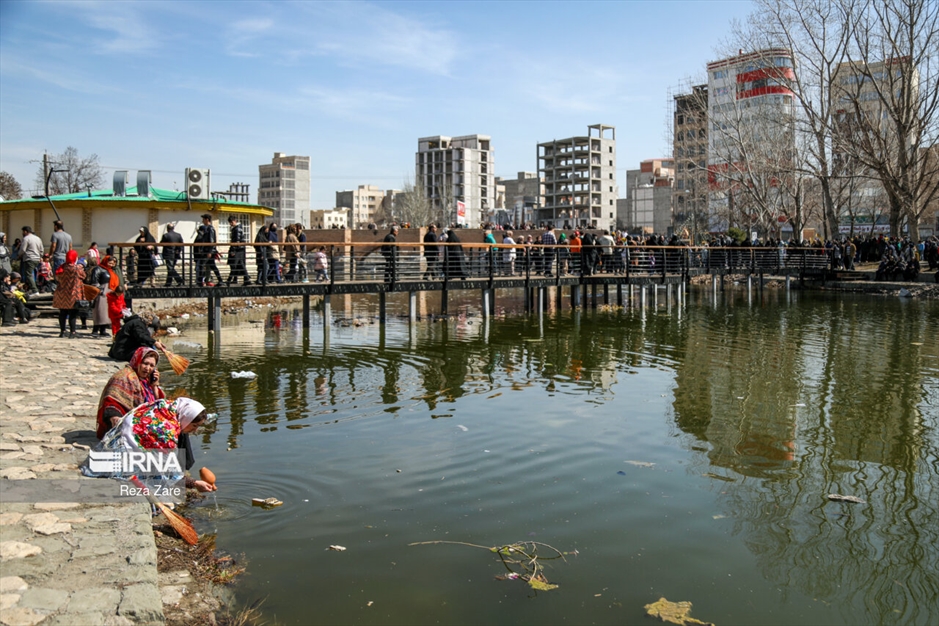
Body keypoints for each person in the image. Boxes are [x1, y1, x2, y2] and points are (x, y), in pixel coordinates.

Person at [81, 397, 215, 493]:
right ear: (186, 417)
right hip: (121, 456)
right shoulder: (165, 429)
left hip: (117, 444)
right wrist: (194, 483)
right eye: (195, 426)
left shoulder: (165, 408)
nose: (195, 430)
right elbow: (168, 469)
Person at [95, 346, 165, 438]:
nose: (148, 368)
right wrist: (116, 419)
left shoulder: (146, 381)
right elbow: (111, 403)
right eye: (145, 363)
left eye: (152, 365)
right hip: (123, 425)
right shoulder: (124, 377)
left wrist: (154, 386)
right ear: (138, 361)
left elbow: (159, 404)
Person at [52, 249, 85, 338]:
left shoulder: (61, 268)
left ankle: (63, 331)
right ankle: (73, 332)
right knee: (72, 313)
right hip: (73, 293)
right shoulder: (77, 268)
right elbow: (83, 276)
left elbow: (57, 278)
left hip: (62, 293)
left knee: (62, 312)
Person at [85, 255, 112, 337]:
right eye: (110, 263)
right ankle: (96, 329)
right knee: (99, 311)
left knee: (105, 312)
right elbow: (95, 281)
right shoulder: (98, 269)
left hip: (108, 292)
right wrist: (100, 290)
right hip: (101, 292)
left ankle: (103, 329)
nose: (111, 264)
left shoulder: (109, 270)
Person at [18, 226, 43, 294]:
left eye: (23, 232)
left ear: (25, 231)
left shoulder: (26, 239)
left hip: (29, 258)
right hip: (37, 259)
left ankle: (35, 290)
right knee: (34, 274)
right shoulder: (38, 238)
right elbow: (41, 249)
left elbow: (23, 249)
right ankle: (34, 288)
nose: (22, 233)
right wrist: (40, 256)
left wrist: (19, 254)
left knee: (28, 275)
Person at [226, 216, 250, 285]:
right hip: (240, 249)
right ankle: (246, 279)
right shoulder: (238, 228)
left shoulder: (236, 229)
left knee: (234, 265)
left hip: (237, 249)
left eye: (231, 222)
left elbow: (236, 240)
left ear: (234, 221)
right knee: (241, 264)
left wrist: (233, 250)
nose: (230, 224)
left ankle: (229, 280)